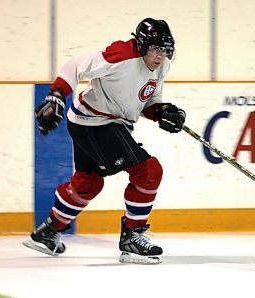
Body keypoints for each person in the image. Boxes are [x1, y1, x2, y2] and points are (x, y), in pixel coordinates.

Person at [23, 18, 185, 264]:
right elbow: (76, 64)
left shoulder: (162, 65)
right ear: (141, 45)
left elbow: (145, 101)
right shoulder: (122, 54)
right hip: (95, 122)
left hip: (95, 122)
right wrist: (57, 93)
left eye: (165, 49)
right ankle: (132, 237)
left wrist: (162, 111)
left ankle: (47, 233)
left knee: (88, 183)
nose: (160, 55)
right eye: (155, 49)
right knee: (149, 171)